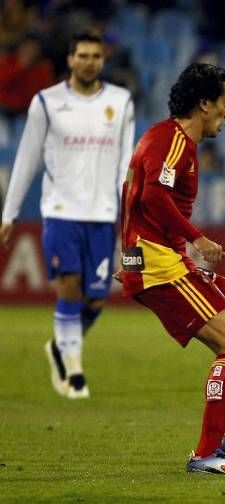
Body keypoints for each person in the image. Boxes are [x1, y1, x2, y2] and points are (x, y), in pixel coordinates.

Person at [118, 62, 225, 475]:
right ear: (203, 103)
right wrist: (197, 238)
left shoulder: (173, 141)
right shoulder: (171, 140)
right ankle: (206, 454)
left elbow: (137, 194)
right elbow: (152, 198)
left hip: (163, 256)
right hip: (159, 264)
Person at [1, 32, 134, 399]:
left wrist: (128, 219)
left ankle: (59, 346)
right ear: (71, 60)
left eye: (96, 56)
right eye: (83, 55)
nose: (90, 61)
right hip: (60, 211)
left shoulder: (121, 102)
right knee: (69, 286)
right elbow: (26, 158)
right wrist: (9, 213)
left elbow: (126, 165)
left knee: (95, 299)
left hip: (103, 214)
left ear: (102, 61)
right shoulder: (46, 102)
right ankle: (74, 371)